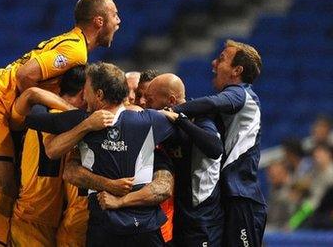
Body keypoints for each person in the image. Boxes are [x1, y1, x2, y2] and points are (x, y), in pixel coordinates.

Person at [0, 0, 121, 247]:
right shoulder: (75, 50)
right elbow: (26, 77)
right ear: (99, 21)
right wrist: (62, 107)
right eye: (114, 14)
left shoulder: (70, 42)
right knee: (2, 190)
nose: (119, 20)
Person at [24, 62, 182, 246]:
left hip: (105, 227)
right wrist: (178, 114)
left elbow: (34, 118)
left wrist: (39, 95)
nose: (84, 95)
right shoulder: (150, 119)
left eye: (86, 89)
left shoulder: (82, 120)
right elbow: (200, 135)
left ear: (99, 94)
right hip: (146, 229)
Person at [102, 73, 224, 246]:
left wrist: (180, 119)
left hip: (202, 217)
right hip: (178, 216)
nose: (145, 103)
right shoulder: (161, 125)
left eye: (150, 99)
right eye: (140, 97)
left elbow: (215, 148)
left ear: (171, 101)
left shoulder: (200, 120)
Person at [172, 39, 266, 246]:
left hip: (242, 197)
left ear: (237, 70)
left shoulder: (242, 93)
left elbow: (210, 103)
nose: (214, 63)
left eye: (222, 59)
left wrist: (174, 111)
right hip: (228, 195)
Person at [11, 66, 89, 246]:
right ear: (84, 93)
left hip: (39, 217)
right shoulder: (66, 121)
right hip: (34, 219)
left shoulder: (43, 114)